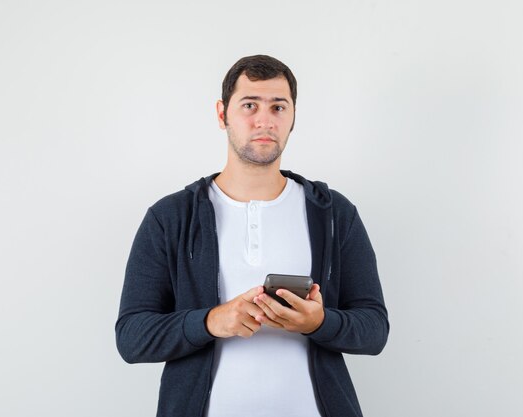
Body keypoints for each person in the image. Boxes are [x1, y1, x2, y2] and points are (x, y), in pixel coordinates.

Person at [116, 54, 389, 417]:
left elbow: (374, 328)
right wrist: (211, 321)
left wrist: (320, 323)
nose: (264, 120)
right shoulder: (170, 217)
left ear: (293, 117)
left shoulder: (333, 213)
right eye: (249, 105)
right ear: (221, 114)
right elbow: (132, 337)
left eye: (279, 106)